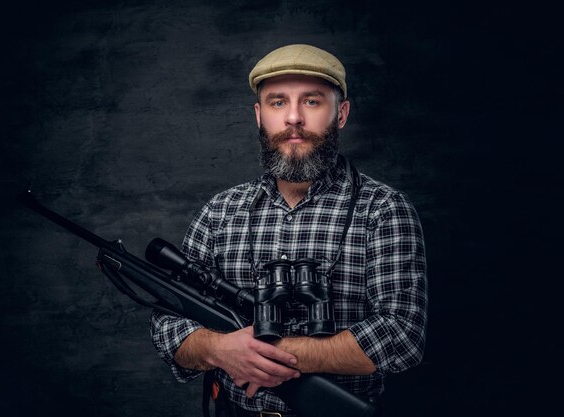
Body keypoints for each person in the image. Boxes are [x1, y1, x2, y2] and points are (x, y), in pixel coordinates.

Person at [150, 44, 427, 417]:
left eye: (312, 102)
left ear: (341, 113)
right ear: (259, 115)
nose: (293, 118)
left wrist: (264, 354)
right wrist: (219, 349)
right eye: (277, 102)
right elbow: (167, 322)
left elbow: (401, 336)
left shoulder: (383, 209)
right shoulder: (220, 212)